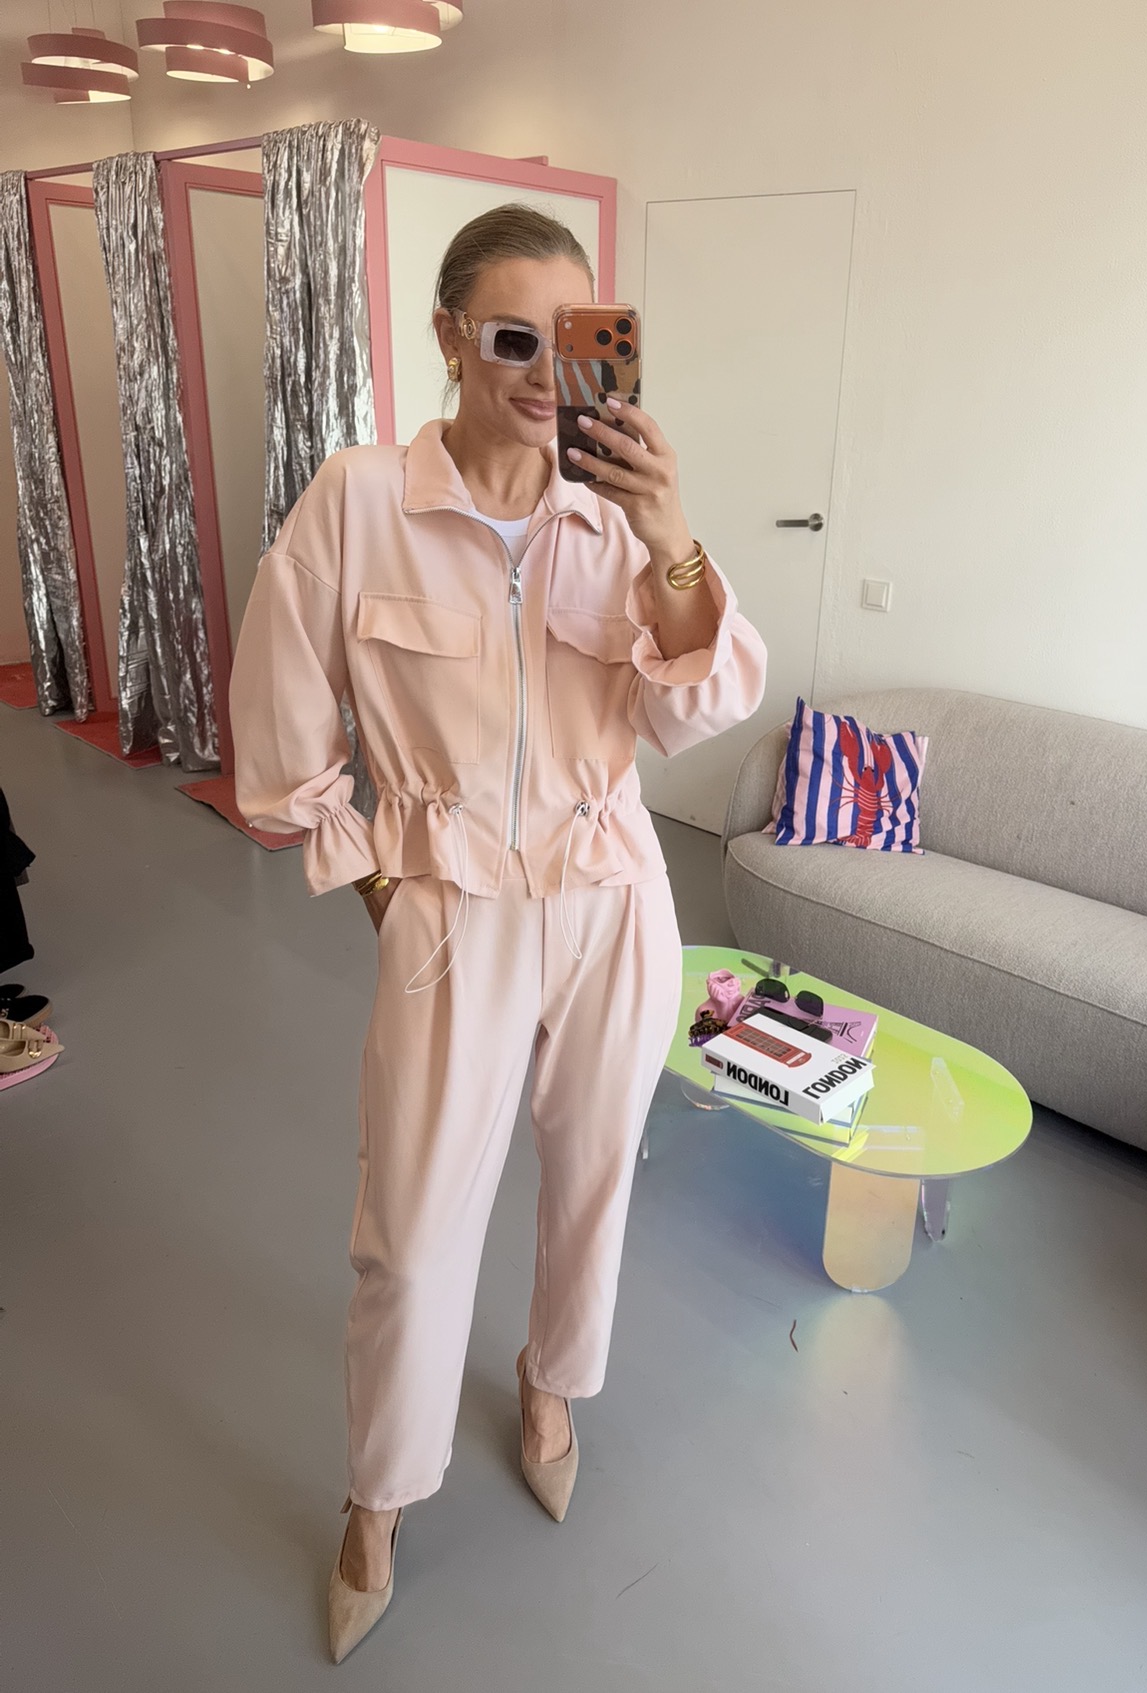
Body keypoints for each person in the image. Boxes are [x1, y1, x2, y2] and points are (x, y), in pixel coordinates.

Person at [230, 204, 767, 1663]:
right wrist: (381, 884)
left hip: (612, 901)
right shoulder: (360, 501)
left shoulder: (619, 519)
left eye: (580, 342)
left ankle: (550, 1384)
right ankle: (378, 1496)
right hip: (450, 908)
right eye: (514, 338)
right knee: (410, 1235)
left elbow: (702, 706)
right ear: (451, 336)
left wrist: (670, 536)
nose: (546, 374)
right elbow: (280, 732)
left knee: (593, 1183)